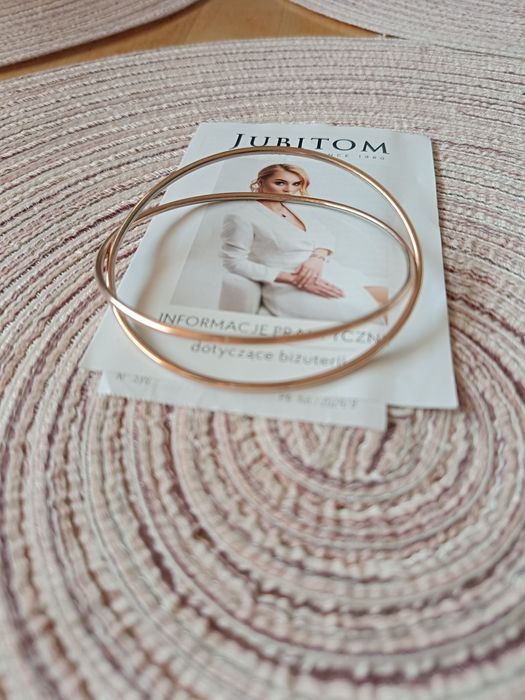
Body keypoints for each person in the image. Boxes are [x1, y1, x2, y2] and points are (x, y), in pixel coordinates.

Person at [220, 163, 385, 321]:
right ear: (261, 182)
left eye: (296, 184)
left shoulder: (294, 207)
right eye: (280, 183)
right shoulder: (242, 216)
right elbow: (233, 262)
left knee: (389, 299)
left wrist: (317, 258)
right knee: (372, 313)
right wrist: (294, 279)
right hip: (290, 286)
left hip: (330, 271)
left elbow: (324, 234)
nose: (289, 190)